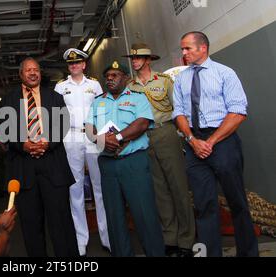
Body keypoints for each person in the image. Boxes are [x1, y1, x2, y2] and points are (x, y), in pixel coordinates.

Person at [173, 31, 258, 257]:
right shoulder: (181, 78)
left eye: (187, 48)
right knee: (203, 205)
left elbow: (238, 112)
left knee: (237, 202)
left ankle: (248, 253)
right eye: (182, 49)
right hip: (193, 144)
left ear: (203, 48)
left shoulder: (224, 73)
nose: (183, 53)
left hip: (223, 142)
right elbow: (178, 112)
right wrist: (192, 140)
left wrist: (210, 141)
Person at [0, 57, 79, 257]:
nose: (33, 73)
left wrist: (47, 143)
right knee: (31, 225)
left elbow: (63, 124)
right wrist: (23, 145)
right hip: (24, 170)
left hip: (53, 166)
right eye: (28, 70)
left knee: (61, 223)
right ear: (20, 74)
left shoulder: (54, 97)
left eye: (36, 70)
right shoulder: (9, 99)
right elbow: (4, 129)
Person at [85, 61, 165, 257]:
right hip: (108, 165)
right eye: (108, 76)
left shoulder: (138, 99)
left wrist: (118, 137)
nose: (110, 79)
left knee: (144, 214)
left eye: (115, 75)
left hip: (134, 163)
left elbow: (142, 123)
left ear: (126, 78)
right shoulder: (98, 101)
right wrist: (100, 138)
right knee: (114, 217)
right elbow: (88, 127)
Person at [126, 43, 195, 257]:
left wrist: (185, 135)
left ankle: (187, 240)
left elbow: (179, 109)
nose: (135, 61)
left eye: (139, 58)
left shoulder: (164, 81)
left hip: (165, 132)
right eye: (133, 58)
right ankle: (170, 238)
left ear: (148, 60)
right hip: (143, 137)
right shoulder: (130, 86)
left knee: (178, 186)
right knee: (160, 191)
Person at [54, 48, 110, 255]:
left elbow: (101, 109)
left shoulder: (94, 84)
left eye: (77, 62)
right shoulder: (61, 87)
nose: (74, 66)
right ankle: (80, 238)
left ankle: (106, 235)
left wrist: (104, 136)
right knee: (75, 188)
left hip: (93, 136)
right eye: (71, 64)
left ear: (84, 64)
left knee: (100, 186)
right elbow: (57, 114)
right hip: (71, 137)